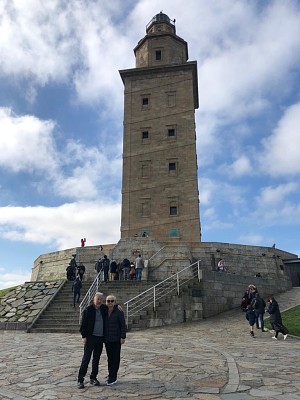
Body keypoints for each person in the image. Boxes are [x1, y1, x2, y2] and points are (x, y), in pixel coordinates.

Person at [77, 292, 107, 389]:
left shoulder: (104, 309)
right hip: (90, 337)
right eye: (98, 299)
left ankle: (93, 378)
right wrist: (84, 336)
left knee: (96, 359)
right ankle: (80, 380)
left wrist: (118, 307)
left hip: (100, 337)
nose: (99, 301)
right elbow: (83, 325)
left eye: (101, 299)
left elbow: (113, 307)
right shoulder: (88, 310)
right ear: (94, 300)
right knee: (86, 358)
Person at [104, 294, 126, 386]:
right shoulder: (103, 310)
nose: (110, 303)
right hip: (107, 339)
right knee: (110, 358)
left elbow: (123, 325)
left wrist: (123, 337)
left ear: (115, 302)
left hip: (116, 339)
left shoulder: (119, 311)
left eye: (112, 301)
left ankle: (113, 377)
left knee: (115, 358)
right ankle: (110, 374)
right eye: (108, 301)